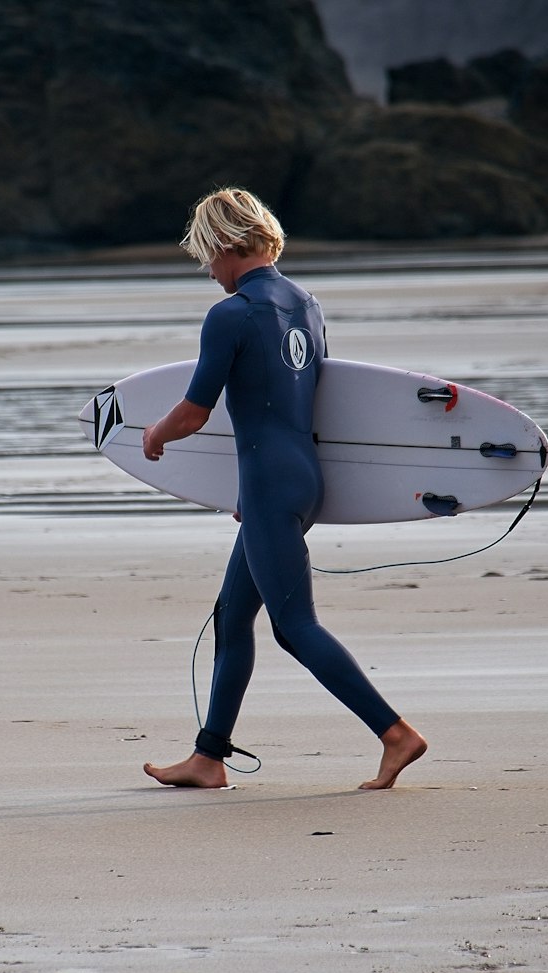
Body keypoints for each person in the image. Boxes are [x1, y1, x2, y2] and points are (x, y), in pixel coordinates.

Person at [141, 188, 426, 790]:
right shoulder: (307, 305)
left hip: (271, 484)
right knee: (232, 617)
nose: (209, 272)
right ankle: (208, 757)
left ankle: (395, 733)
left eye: (207, 259)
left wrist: (155, 435)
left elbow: (195, 412)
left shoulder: (231, 315)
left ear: (224, 244)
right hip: (299, 478)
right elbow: (318, 399)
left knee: (295, 627)